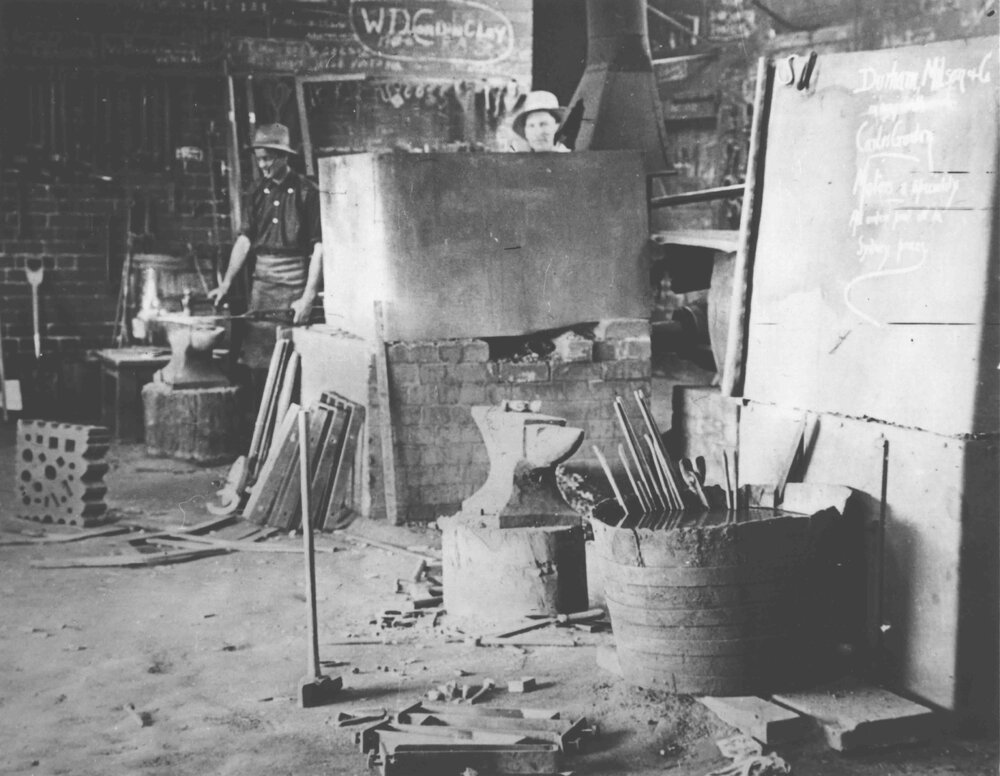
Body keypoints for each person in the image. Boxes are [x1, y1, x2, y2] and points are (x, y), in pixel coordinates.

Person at [208, 123, 323, 372]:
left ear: (284, 156)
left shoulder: (307, 192)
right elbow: (245, 240)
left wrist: (308, 297)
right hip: (262, 285)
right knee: (259, 360)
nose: (262, 165)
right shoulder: (257, 193)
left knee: (292, 361)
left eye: (268, 159)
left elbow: (319, 249)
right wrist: (226, 283)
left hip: (295, 285)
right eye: (259, 160)